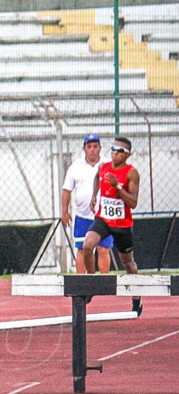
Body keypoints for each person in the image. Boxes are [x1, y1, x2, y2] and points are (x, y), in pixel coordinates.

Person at [82, 136, 142, 315]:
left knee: (128, 264)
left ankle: (136, 299)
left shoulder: (131, 173)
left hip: (122, 224)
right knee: (87, 246)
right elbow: (97, 179)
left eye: (120, 151)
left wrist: (118, 188)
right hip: (104, 220)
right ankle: (91, 284)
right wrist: (95, 195)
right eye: (113, 149)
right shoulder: (103, 167)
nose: (115, 153)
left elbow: (133, 203)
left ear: (127, 155)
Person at [62, 133, 111, 273]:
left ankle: (104, 283)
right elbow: (66, 190)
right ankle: (82, 283)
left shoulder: (107, 165)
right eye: (89, 146)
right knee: (82, 249)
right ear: (84, 149)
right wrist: (65, 211)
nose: (92, 149)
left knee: (103, 249)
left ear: (100, 148)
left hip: (103, 216)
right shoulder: (75, 166)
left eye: (95, 146)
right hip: (83, 216)